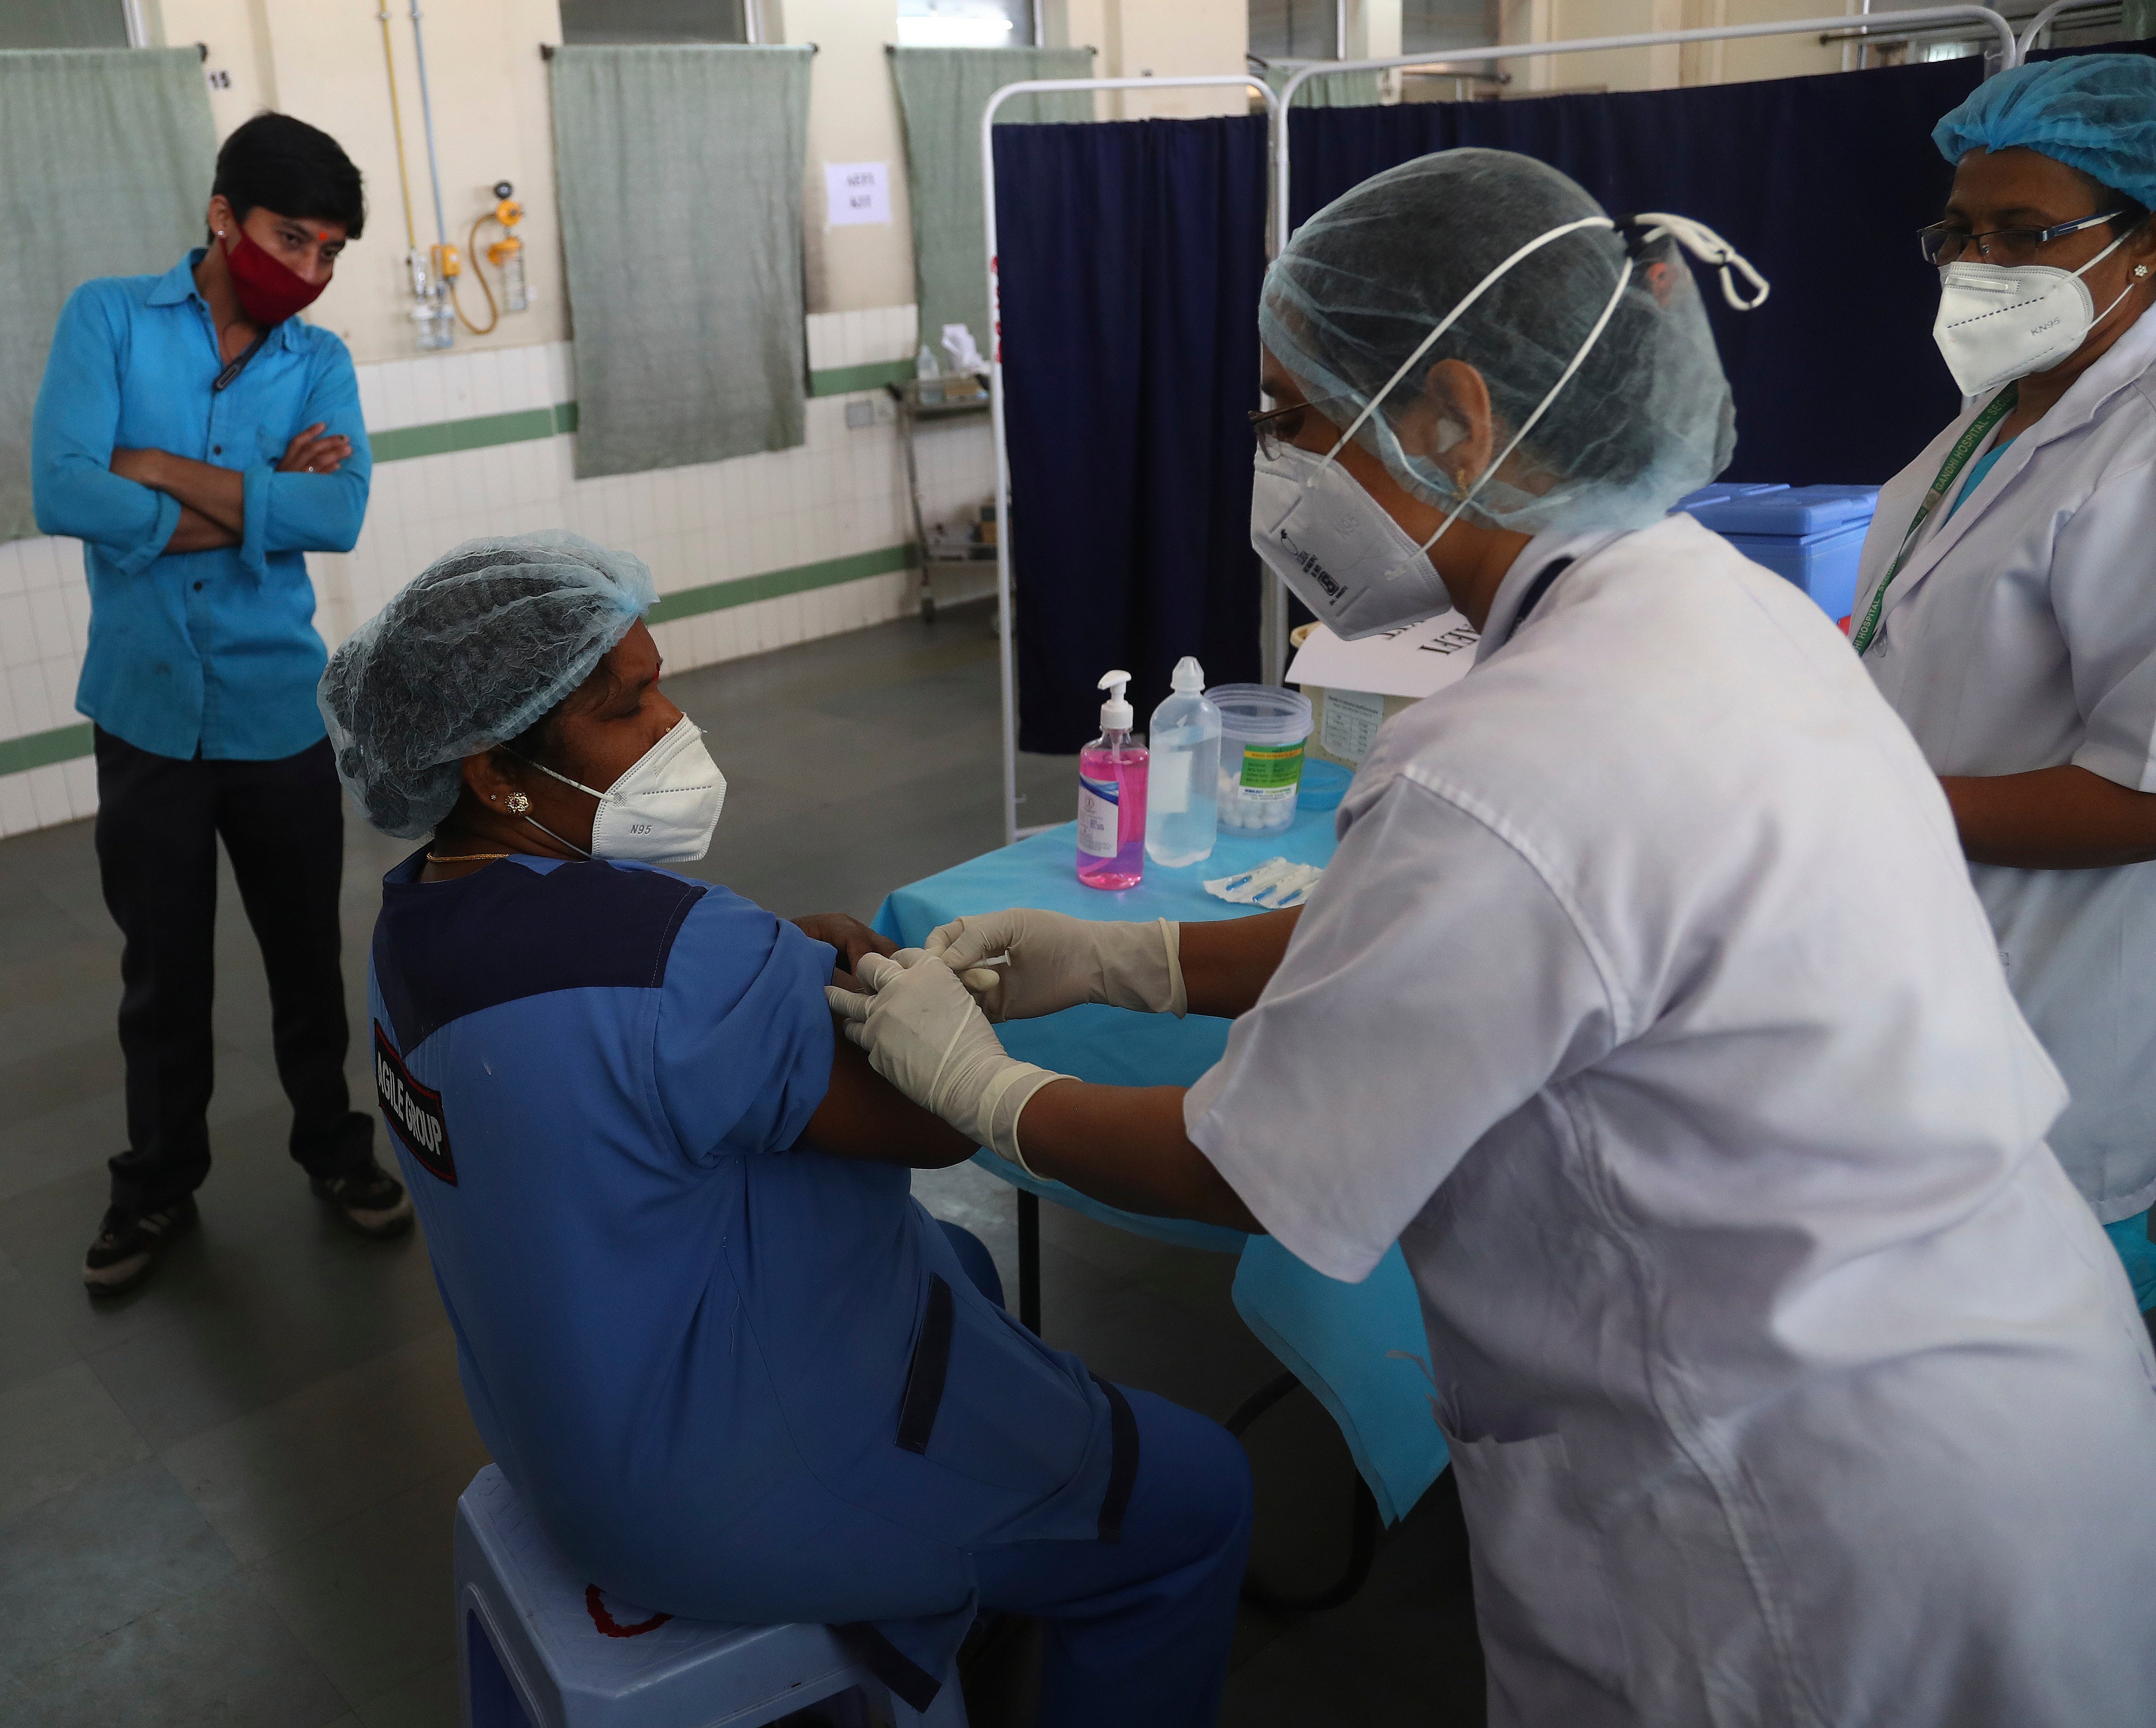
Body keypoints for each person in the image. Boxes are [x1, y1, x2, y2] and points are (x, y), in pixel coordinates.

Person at [833, 150, 2156, 1726]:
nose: (1271, 467)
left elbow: (1251, 1161)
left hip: (1800, 1513)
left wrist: (984, 1089)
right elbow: (1496, 941)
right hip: (1998, 1381)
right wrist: (1136, 958)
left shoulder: (1517, 752)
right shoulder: (1701, 603)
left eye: (1292, 420)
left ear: (1454, 416)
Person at [316, 532, 1252, 1728]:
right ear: (497, 772)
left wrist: (777, 963)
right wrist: (922, 1014)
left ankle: (976, 1570)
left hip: (562, 1430)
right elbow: (928, 1128)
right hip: (734, 1494)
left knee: (958, 1263)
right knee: (1199, 1500)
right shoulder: (682, 959)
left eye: (660, 679)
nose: (674, 721)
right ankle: (984, 1559)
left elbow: (624, 1056)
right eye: (628, 707)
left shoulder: (413, 924)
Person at [31, 113, 409, 1292]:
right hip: (145, 713)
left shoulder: (322, 363)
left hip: (273, 712)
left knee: (305, 953)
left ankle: (333, 1148)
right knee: (163, 968)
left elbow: (336, 518)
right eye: (288, 238)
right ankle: (154, 1186)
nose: (307, 272)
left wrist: (149, 474)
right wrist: (256, 498)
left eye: (329, 252)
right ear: (221, 216)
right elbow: (59, 485)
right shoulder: (108, 318)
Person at [1853, 55, 2156, 1313]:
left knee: (2033, 1423)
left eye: (2024, 234)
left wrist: (1871, 803)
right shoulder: (1993, 412)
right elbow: (1918, 620)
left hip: (2052, 1030)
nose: (1978, 265)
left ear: (2139, 246)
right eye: (1959, 232)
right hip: (1920, 983)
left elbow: (2142, 794)